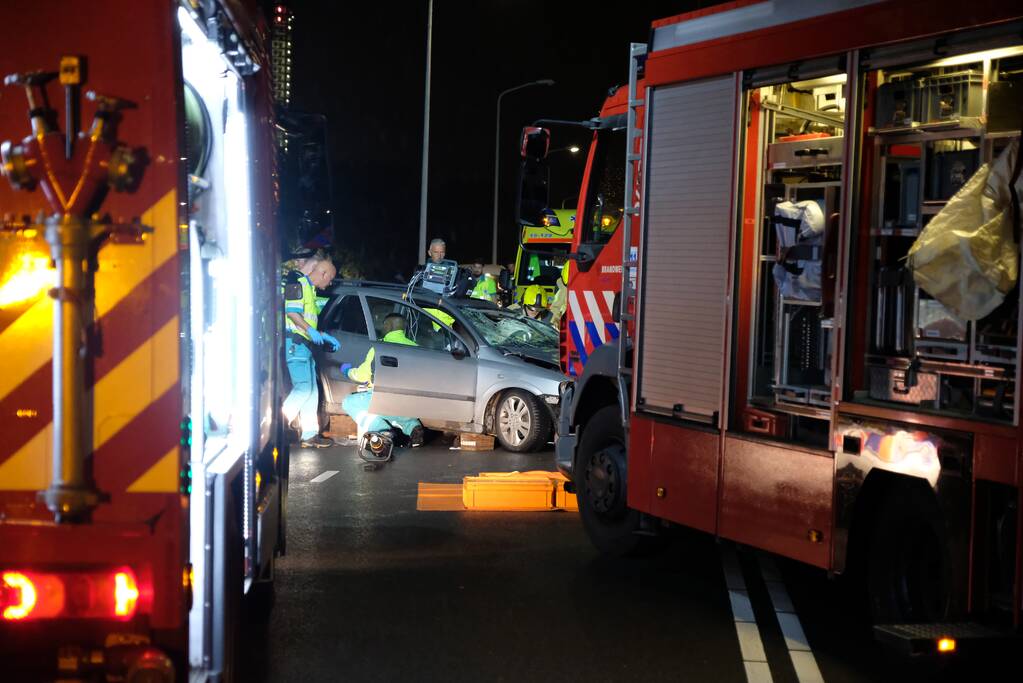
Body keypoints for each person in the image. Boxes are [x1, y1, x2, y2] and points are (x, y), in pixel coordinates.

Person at [282, 254, 340, 448]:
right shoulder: (298, 285)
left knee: (312, 391)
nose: (330, 283)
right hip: (296, 344)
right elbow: (291, 312)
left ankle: (309, 434)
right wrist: (311, 330)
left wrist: (321, 334)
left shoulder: (310, 290)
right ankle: (279, 424)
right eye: (330, 278)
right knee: (304, 388)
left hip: (305, 346)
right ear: (322, 273)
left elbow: (306, 321)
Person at [341, 314, 424, 446]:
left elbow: (362, 376)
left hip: (383, 397)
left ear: (388, 326)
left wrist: (347, 371)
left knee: (349, 403)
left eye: (383, 325)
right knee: (394, 407)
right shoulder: (417, 348)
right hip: (410, 400)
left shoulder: (379, 347)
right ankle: (413, 426)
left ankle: (382, 430)